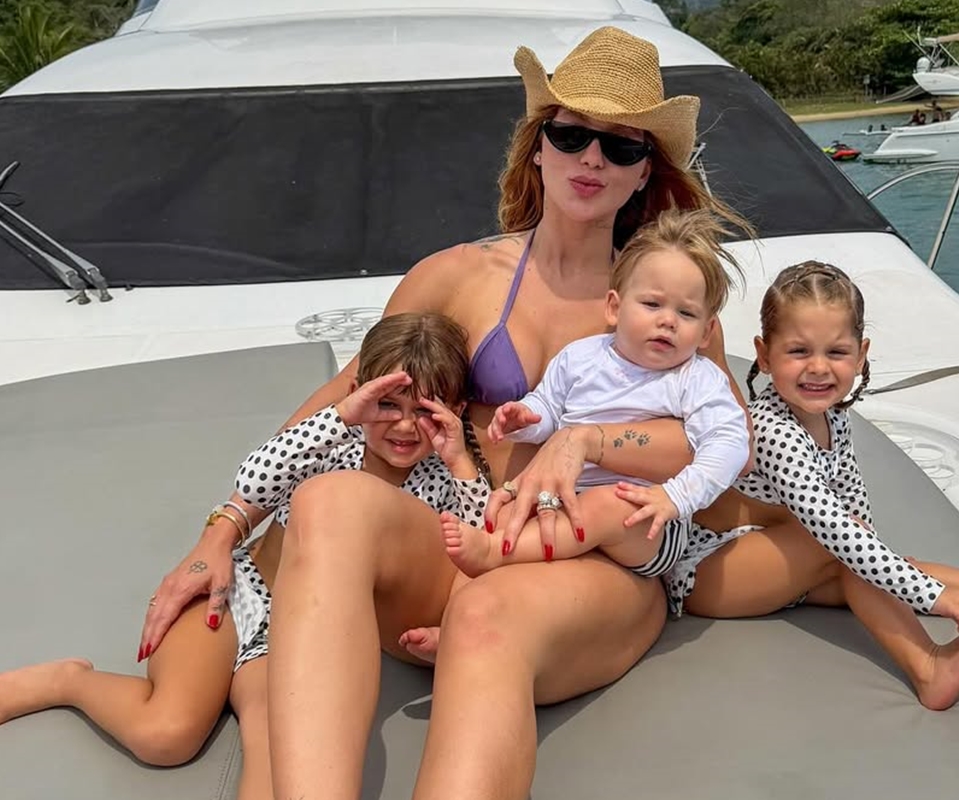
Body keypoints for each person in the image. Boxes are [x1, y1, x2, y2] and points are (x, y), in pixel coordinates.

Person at [133, 26, 756, 800]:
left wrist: (588, 440)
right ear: (538, 148)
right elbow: (345, 401)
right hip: (464, 540)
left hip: (593, 568)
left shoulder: (670, 304)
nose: (591, 158)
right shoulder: (455, 276)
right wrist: (221, 531)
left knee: (488, 615)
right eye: (571, 134)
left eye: (621, 146)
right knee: (329, 499)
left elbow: (725, 454)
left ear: (643, 174)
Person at [0, 312, 489, 800]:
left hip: (301, 636)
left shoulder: (443, 480)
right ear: (360, 393)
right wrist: (340, 416)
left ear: (456, 410)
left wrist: (460, 461)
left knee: (282, 775)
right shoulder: (331, 442)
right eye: (387, 404)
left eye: (424, 411)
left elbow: (478, 544)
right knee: (165, 733)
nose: (404, 425)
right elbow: (254, 477)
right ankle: (68, 681)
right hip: (239, 592)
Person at [672, 262, 959, 707]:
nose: (818, 368)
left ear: (861, 355)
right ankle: (928, 667)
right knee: (849, 549)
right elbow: (834, 528)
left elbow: (853, 506)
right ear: (765, 355)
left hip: (782, 563)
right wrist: (933, 596)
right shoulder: (774, 432)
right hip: (709, 574)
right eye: (799, 351)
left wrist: (891, 570)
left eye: (837, 352)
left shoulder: (833, 417)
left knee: (873, 561)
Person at [443, 208, 750, 579]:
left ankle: (494, 553)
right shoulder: (581, 357)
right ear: (614, 308)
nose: (667, 320)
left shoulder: (697, 378)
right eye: (652, 304)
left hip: (649, 520)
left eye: (686, 313)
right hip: (565, 497)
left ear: (706, 332)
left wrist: (677, 496)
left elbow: (730, 444)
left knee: (606, 505)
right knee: (508, 510)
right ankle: (474, 582)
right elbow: (549, 406)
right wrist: (525, 419)